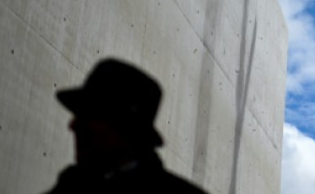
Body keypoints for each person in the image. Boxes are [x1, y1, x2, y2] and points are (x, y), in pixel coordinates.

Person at [43, 58, 207, 194]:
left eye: (91, 115)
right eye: (79, 114)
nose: (73, 125)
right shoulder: (71, 185)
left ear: (129, 129)